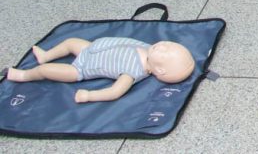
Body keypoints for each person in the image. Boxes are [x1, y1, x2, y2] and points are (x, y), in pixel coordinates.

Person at [5, 37, 195, 103]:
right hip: (90, 48)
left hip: (82, 68)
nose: (162, 45)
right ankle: (46, 54)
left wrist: (88, 95)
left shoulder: (132, 72)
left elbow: (114, 92)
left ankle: (24, 75)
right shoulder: (148, 47)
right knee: (70, 42)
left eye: (164, 52)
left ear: (159, 71)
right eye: (169, 44)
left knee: (46, 70)